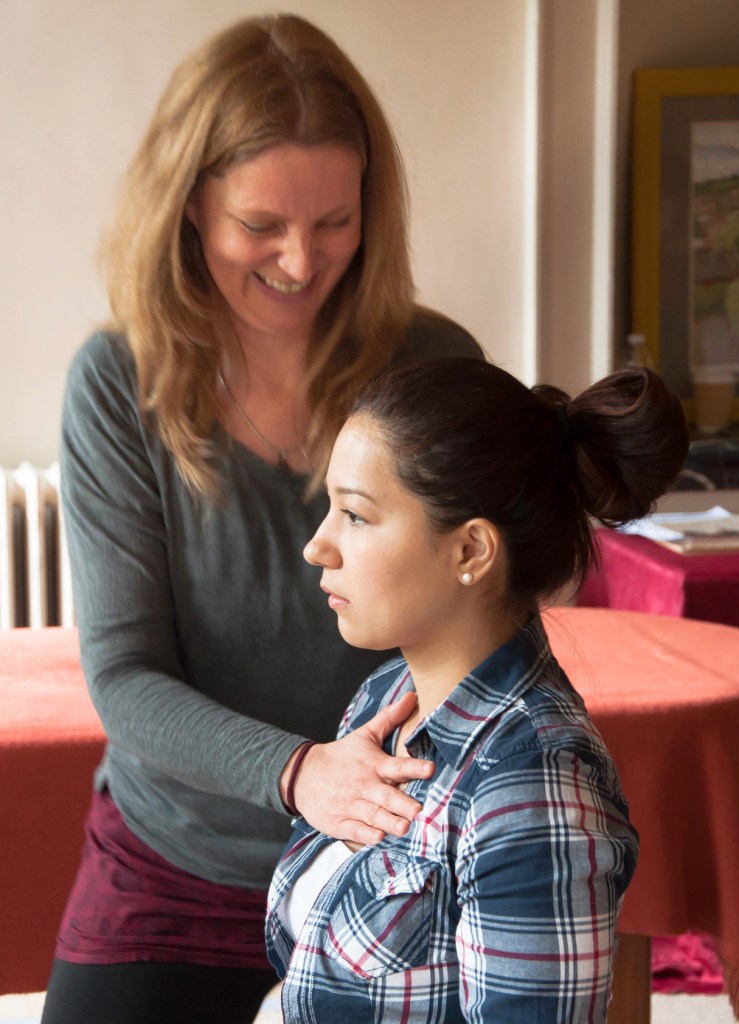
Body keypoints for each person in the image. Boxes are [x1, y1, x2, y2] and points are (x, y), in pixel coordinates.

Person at [41, 15, 481, 1024]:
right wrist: (297, 773)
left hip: (391, 843)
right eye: (261, 225)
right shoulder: (117, 384)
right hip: (177, 851)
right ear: (190, 206)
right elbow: (124, 679)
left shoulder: (430, 363)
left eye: (334, 220)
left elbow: (485, 617)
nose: (299, 258)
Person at [266, 357, 689, 1022]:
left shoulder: (530, 786)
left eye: (354, 515)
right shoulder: (385, 699)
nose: (317, 547)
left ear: (469, 552)